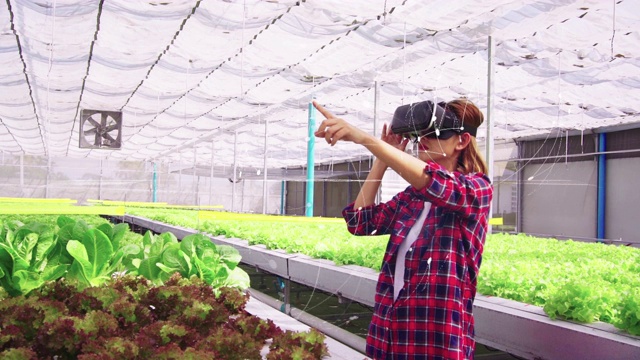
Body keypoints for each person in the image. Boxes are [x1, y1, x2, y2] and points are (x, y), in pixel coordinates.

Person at [313, 98, 493, 360]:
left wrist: (365, 139)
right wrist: (381, 158)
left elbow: (435, 182)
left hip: (436, 341)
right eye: (420, 134)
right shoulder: (412, 198)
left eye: (433, 133)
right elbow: (359, 222)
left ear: (462, 141)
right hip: (391, 333)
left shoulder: (477, 189)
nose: (422, 140)